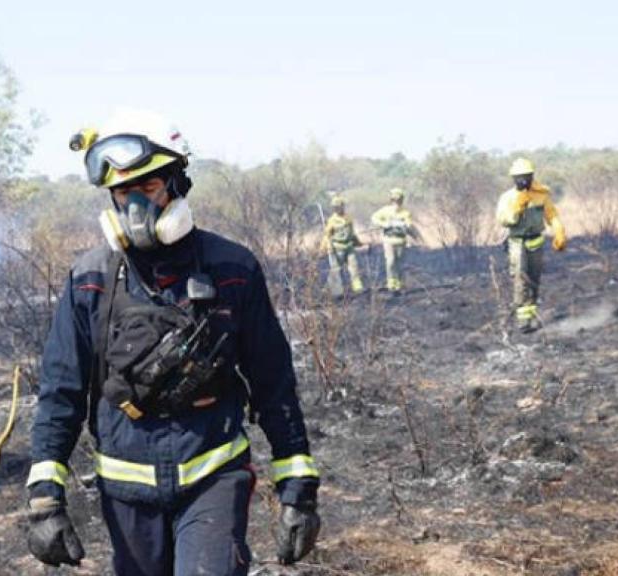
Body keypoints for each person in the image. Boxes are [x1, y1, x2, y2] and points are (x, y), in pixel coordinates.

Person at [24, 109, 320, 576]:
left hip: (213, 480)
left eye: (148, 189)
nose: (135, 206)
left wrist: (298, 489)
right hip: (125, 491)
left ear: (177, 186)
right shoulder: (89, 280)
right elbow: (61, 391)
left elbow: (272, 381)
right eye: (124, 193)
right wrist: (44, 499)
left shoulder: (232, 269)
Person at [496, 158, 567, 333]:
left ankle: (532, 315)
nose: (523, 180)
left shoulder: (541, 194)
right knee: (520, 279)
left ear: (532, 176)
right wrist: (516, 209)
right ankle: (523, 321)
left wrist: (559, 231)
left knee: (534, 279)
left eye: (526, 176)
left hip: (536, 241)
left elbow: (552, 215)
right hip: (517, 243)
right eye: (519, 177)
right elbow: (503, 220)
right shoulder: (508, 198)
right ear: (513, 179)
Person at [370, 188, 421, 293]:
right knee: (390, 262)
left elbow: (409, 225)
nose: (396, 202)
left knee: (400, 263)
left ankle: (400, 285)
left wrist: (406, 226)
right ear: (391, 200)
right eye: (395, 200)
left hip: (401, 241)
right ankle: (391, 284)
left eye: (399, 200)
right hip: (389, 241)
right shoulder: (385, 210)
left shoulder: (406, 213)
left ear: (401, 200)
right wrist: (384, 224)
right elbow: (374, 218)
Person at [321, 195, 365, 294]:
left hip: (349, 247)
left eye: (338, 206)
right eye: (335, 207)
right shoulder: (332, 220)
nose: (337, 209)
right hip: (337, 249)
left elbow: (352, 233)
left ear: (342, 206)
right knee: (336, 270)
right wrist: (324, 248)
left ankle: (358, 288)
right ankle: (331, 290)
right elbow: (327, 235)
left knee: (354, 267)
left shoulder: (348, 218)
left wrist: (358, 243)